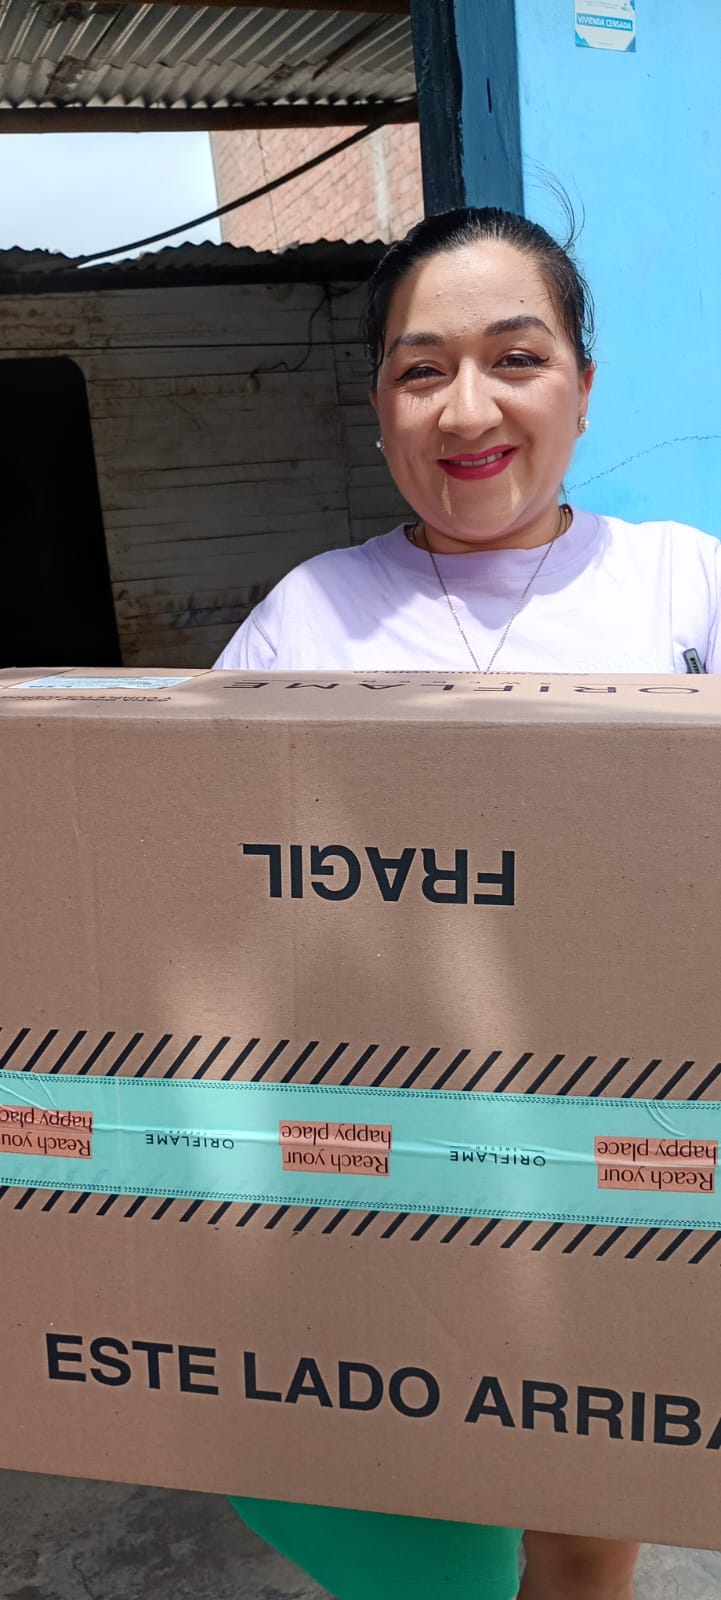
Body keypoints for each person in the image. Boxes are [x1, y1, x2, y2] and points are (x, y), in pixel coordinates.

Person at [214, 205, 721, 1600]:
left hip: (627, 1150)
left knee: (583, 1524)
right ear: (379, 403)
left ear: (583, 384)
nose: (468, 409)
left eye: (516, 357)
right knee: (414, 1502)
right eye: (421, 369)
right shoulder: (308, 618)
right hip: (386, 1156)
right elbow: (209, 892)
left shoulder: (684, 584)